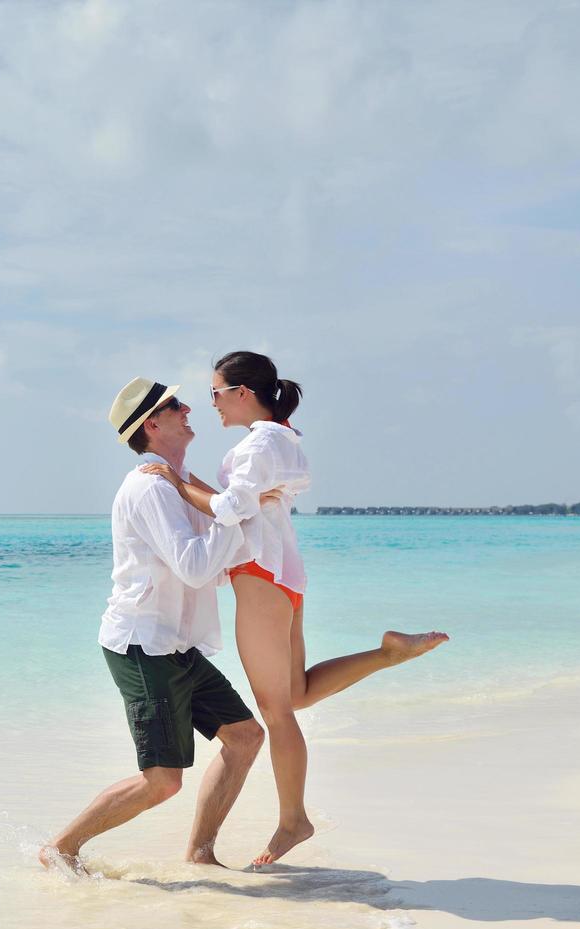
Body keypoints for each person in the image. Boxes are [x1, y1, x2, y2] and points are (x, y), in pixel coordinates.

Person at [139, 351, 449, 867]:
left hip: (261, 575)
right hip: (281, 574)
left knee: (277, 711)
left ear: (242, 392)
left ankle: (292, 821)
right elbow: (245, 501)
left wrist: (175, 483)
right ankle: (386, 654)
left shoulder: (261, 442)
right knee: (297, 692)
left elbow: (232, 509)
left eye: (214, 393)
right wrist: (204, 490)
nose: (208, 403)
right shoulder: (277, 439)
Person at [39, 377, 267, 875]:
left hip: (177, 645)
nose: (189, 408)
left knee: (246, 737)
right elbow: (196, 566)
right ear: (151, 423)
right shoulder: (150, 488)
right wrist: (236, 512)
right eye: (174, 405)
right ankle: (61, 848)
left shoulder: (180, 482)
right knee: (162, 781)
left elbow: (233, 549)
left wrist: (237, 508)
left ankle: (200, 854)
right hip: (143, 645)